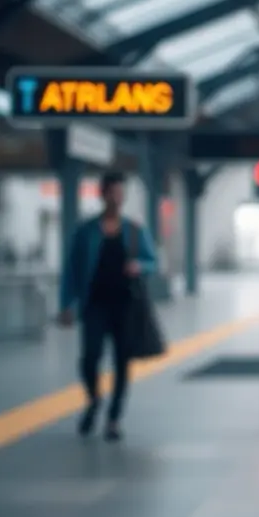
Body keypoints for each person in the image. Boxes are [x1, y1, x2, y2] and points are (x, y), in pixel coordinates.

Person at [58, 171, 157, 442]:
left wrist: (140, 266)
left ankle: (113, 419)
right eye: (114, 192)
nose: (118, 198)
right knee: (90, 357)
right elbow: (72, 270)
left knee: (122, 363)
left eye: (121, 193)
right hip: (95, 306)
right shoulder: (85, 231)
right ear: (102, 194)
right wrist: (66, 304)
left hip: (125, 307)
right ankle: (93, 399)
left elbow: (152, 261)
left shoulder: (134, 230)